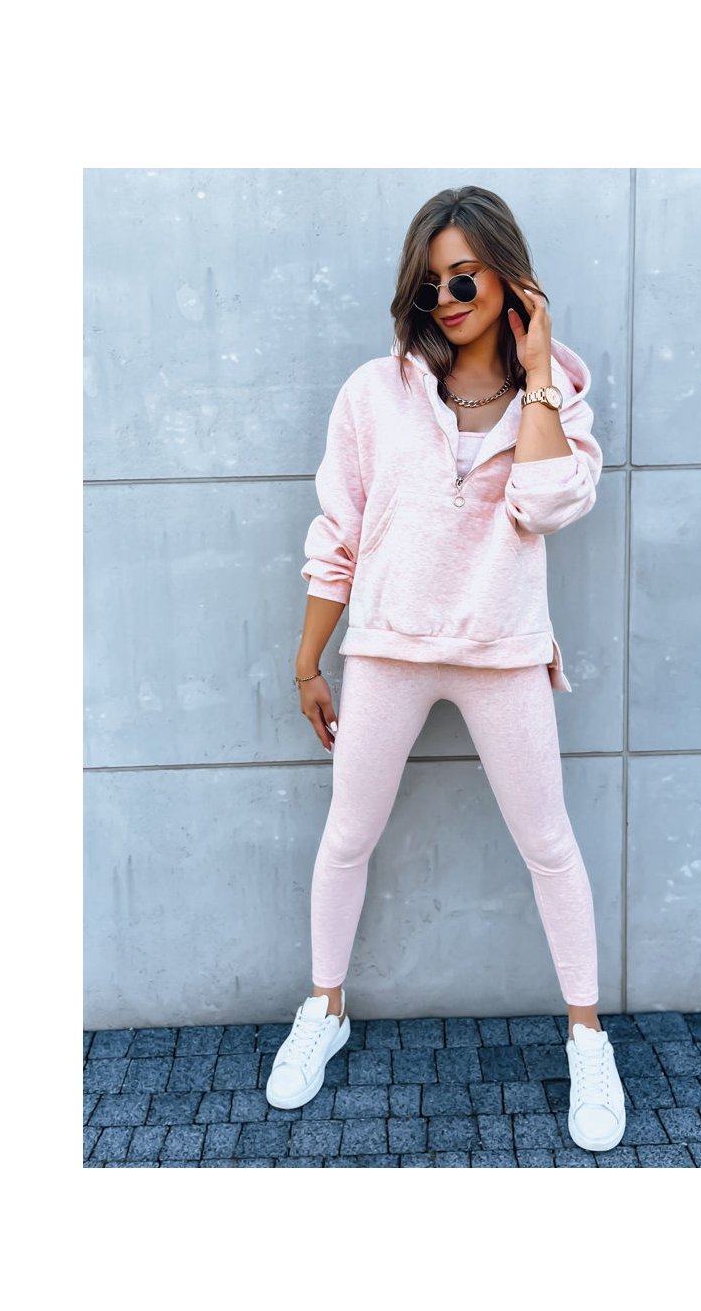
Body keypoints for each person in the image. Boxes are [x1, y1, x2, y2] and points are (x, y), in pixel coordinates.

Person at [266, 186, 625, 1153]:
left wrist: (539, 373)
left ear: (509, 277)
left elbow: (546, 504)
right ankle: (324, 1008)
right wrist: (307, 661)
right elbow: (338, 533)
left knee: (549, 843)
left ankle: (588, 1038)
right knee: (347, 836)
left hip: (501, 649)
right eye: (430, 284)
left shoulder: (556, 400)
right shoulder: (373, 393)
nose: (447, 298)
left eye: (464, 277)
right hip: (386, 647)